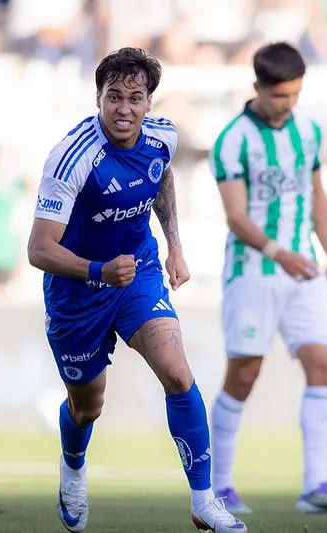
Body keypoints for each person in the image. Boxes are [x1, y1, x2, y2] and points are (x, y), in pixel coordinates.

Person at [27, 47, 247, 533]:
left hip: (138, 273)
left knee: (177, 370)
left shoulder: (163, 136)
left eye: (135, 97)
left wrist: (175, 245)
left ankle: (204, 499)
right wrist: (98, 270)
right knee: (88, 406)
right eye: (114, 97)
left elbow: (161, 178)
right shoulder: (71, 158)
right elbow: (39, 249)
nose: (124, 108)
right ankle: (73, 467)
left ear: (149, 102)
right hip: (78, 291)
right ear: (98, 99)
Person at [207, 42, 327, 514]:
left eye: (296, 94)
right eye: (280, 96)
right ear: (258, 88)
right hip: (253, 271)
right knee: (244, 375)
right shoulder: (233, 139)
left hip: (304, 271)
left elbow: (317, 196)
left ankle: (315, 487)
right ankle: (217, 487)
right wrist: (280, 253)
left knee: (325, 365)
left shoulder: (310, 131)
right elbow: (236, 217)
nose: (289, 104)